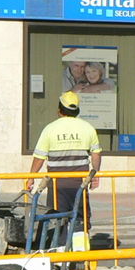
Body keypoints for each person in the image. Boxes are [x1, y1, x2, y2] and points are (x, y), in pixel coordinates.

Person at [26, 91, 102, 225]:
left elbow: (39, 157)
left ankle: (60, 245)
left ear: (59, 110)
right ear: (77, 110)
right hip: (80, 184)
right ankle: (80, 245)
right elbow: (96, 154)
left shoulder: (50, 129)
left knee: (57, 222)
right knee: (80, 221)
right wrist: (95, 174)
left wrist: (31, 177)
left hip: (57, 186)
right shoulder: (88, 128)